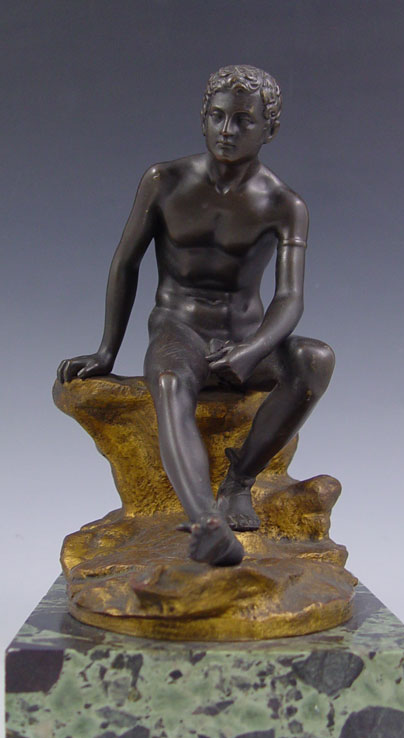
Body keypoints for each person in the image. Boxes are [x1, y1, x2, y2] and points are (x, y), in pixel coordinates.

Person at [58, 65, 334, 567]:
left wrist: (252, 350)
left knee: (316, 360)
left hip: (245, 338)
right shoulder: (164, 181)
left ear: (269, 129)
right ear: (203, 118)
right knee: (168, 382)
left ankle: (239, 481)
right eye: (217, 116)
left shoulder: (284, 204)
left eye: (243, 120)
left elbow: (290, 297)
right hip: (178, 329)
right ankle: (207, 524)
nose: (227, 130)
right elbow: (125, 263)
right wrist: (106, 350)